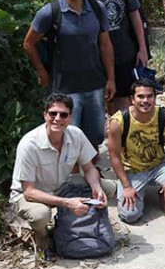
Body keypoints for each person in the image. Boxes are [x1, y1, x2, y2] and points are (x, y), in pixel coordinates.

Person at [9, 94, 117, 256]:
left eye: (63, 114)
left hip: (61, 187)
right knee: (40, 215)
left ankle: (78, 225)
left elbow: (89, 168)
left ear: (70, 117)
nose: (58, 118)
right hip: (30, 195)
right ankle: (42, 236)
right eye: (53, 114)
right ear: (45, 115)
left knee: (108, 188)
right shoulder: (29, 144)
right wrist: (67, 203)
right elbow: (29, 192)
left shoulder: (76, 135)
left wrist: (96, 188)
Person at [23, 0, 114, 151]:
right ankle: (73, 176)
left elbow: (105, 45)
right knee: (69, 137)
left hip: (95, 84)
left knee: (95, 135)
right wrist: (42, 72)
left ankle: (91, 172)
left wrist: (111, 78)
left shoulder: (97, 9)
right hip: (65, 87)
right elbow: (28, 43)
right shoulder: (50, 12)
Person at [106, 78, 165, 224]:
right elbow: (114, 156)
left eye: (149, 96)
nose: (145, 100)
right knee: (130, 216)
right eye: (140, 96)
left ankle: (163, 195)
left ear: (155, 98)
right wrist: (126, 186)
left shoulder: (163, 116)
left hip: (157, 165)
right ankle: (130, 191)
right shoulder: (119, 121)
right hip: (132, 170)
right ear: (132, 99)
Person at [86, 0, 148, 114]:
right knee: (99, 103)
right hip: (95, 58)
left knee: (124, 105)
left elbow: (135, 16)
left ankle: (122, 138)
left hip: (124, 53)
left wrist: (142, 48)